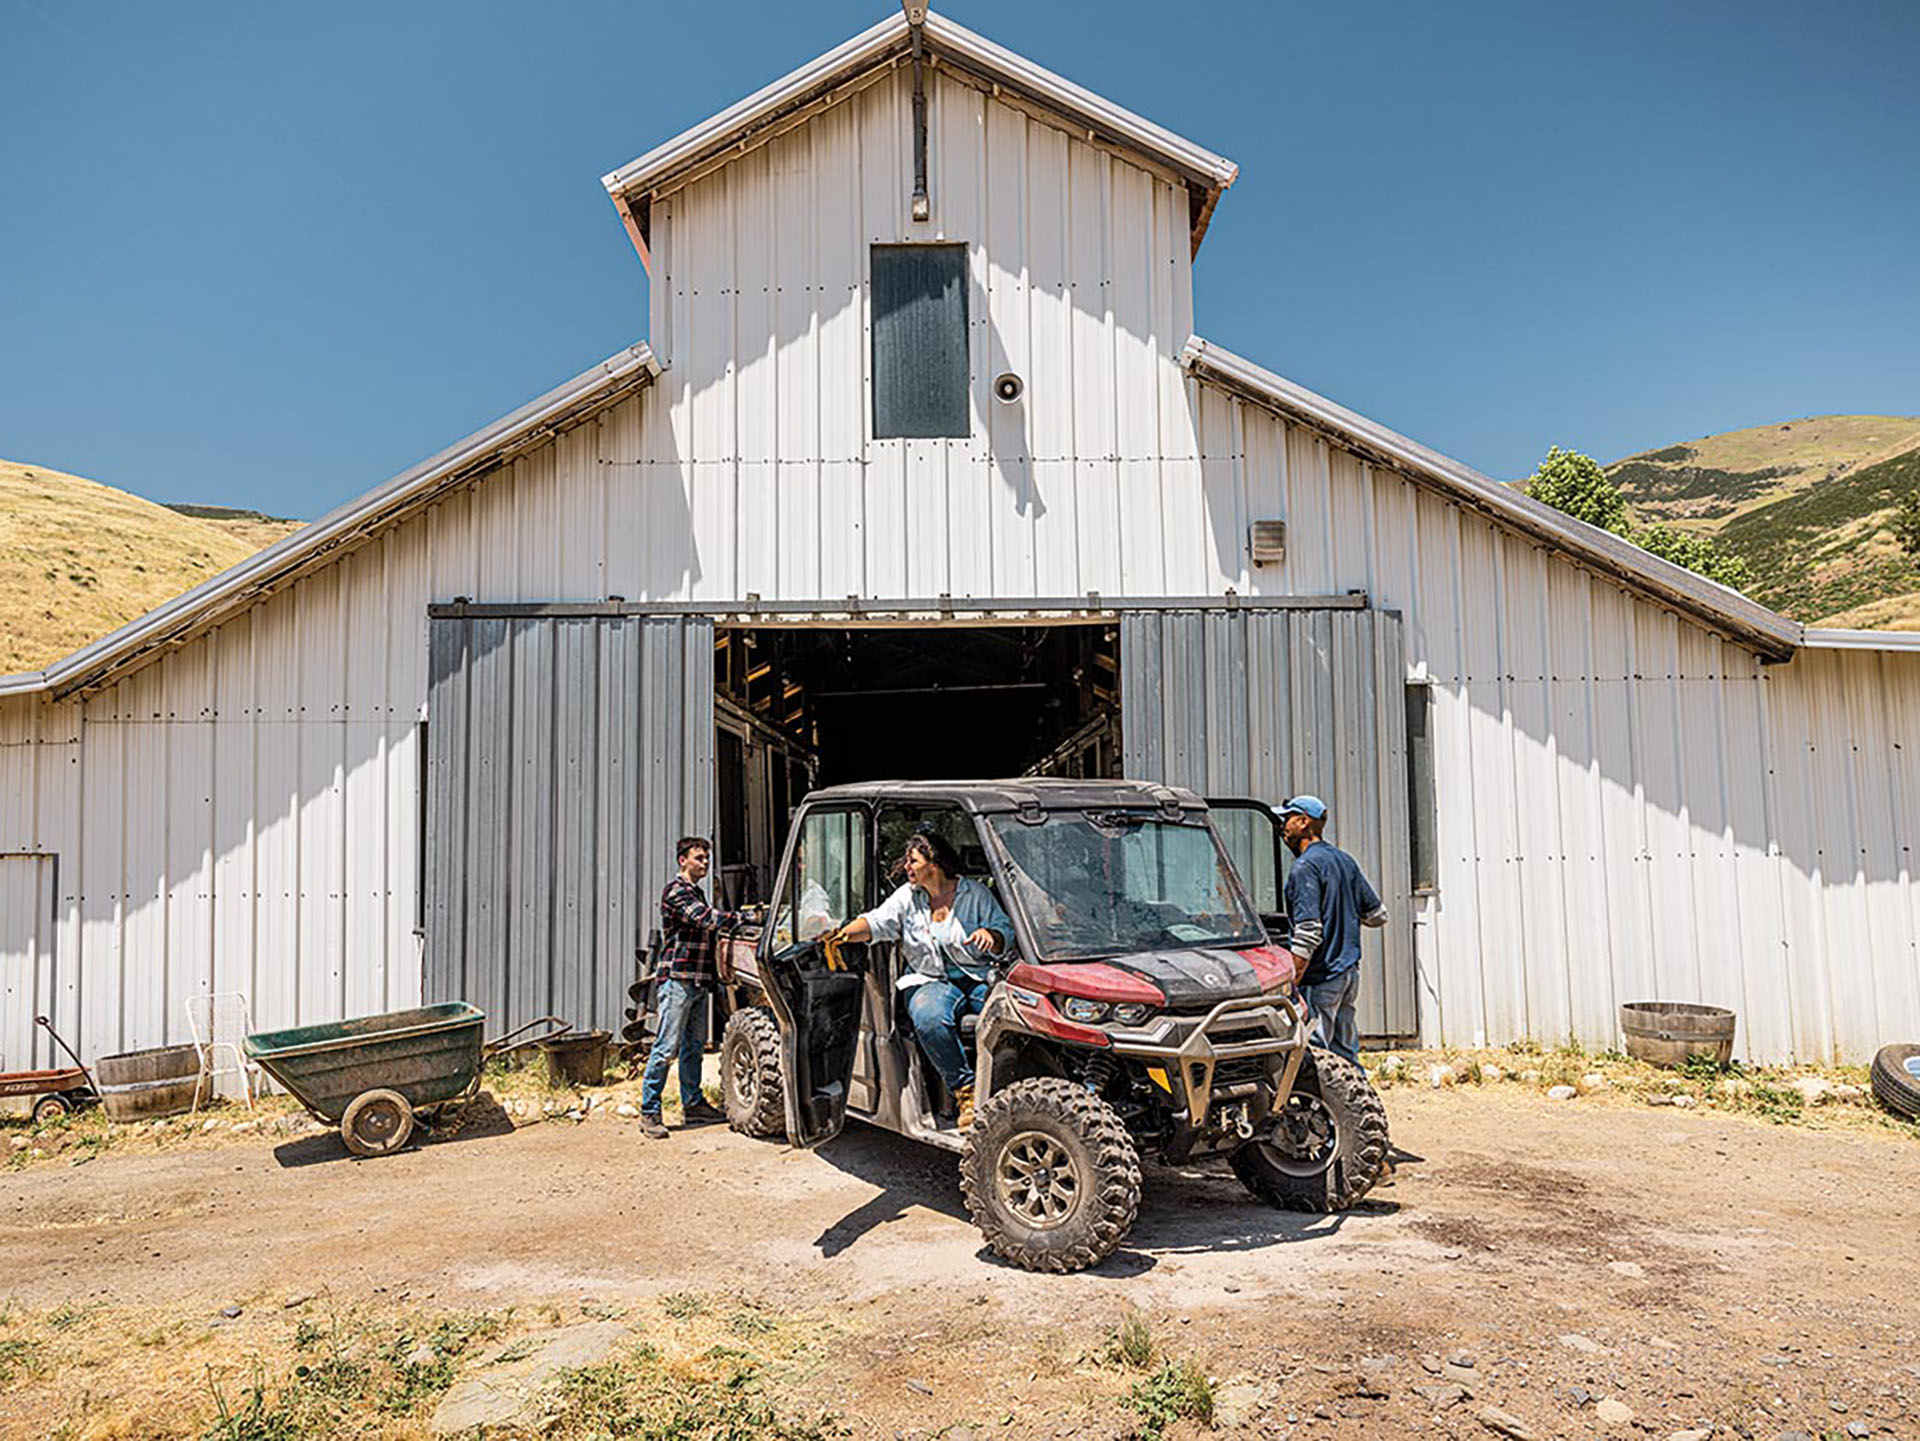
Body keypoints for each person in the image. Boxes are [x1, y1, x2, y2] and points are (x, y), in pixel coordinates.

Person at [827, 829, 1013, 1128]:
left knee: (1013, 1013)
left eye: (913, 860)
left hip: (976, 976)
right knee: (929, 1019)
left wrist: (992, 936)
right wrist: (844, 934)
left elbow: (1004, 928)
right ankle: (965, 1092)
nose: (907, 867)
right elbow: (877, 922)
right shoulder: (906, 898)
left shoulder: (974, 894)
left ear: (934, 862)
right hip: (929, 980)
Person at [640, 835, 745, 1139]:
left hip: (697, 981)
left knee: (693, 1048)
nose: (705, 862)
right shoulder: (676, 892)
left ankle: (693, 1103)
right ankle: (649, 1111)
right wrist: (742, 917)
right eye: (699, 857)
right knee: (666, 1047)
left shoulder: (696, 892)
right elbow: (705, 919)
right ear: (682, 860)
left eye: (706, 858)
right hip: (677, 979)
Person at [1278, 794, 1387, 1066]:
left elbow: (1308, 931)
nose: (1283, 826)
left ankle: (1315, 1109)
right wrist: (1342, 913)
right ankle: (1357, 1106)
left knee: (1316, 1059)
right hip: (1348, 976)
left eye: (1287, 819)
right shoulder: (1344, 861)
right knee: (1345, 1055)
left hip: (1321, 977)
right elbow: (1377, 915)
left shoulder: (1304, 868)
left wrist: (1292, 982)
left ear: (1304, 822)